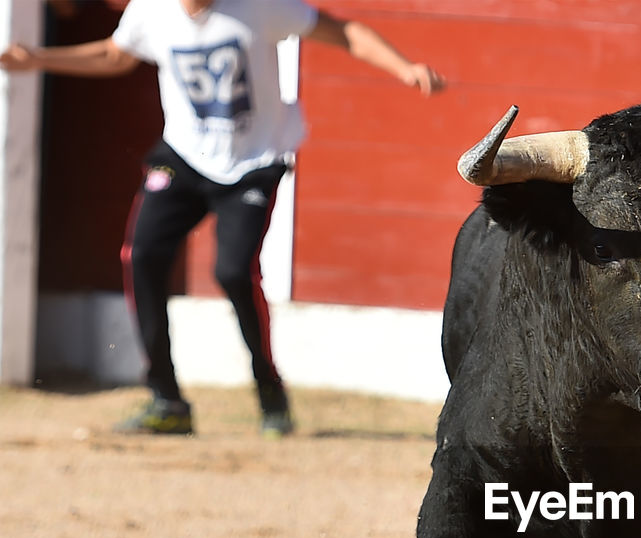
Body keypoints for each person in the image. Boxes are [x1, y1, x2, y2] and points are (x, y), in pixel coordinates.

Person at [1, 0, 445, 436]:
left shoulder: (260, 6)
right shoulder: (151, 10)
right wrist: (37, 59)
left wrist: (403, 67)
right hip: (184, 157)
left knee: (233, 272)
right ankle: (166, 400)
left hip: (254, 160)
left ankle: (269, 390)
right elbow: (116, 54)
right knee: (142, 257)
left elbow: (344, 31)